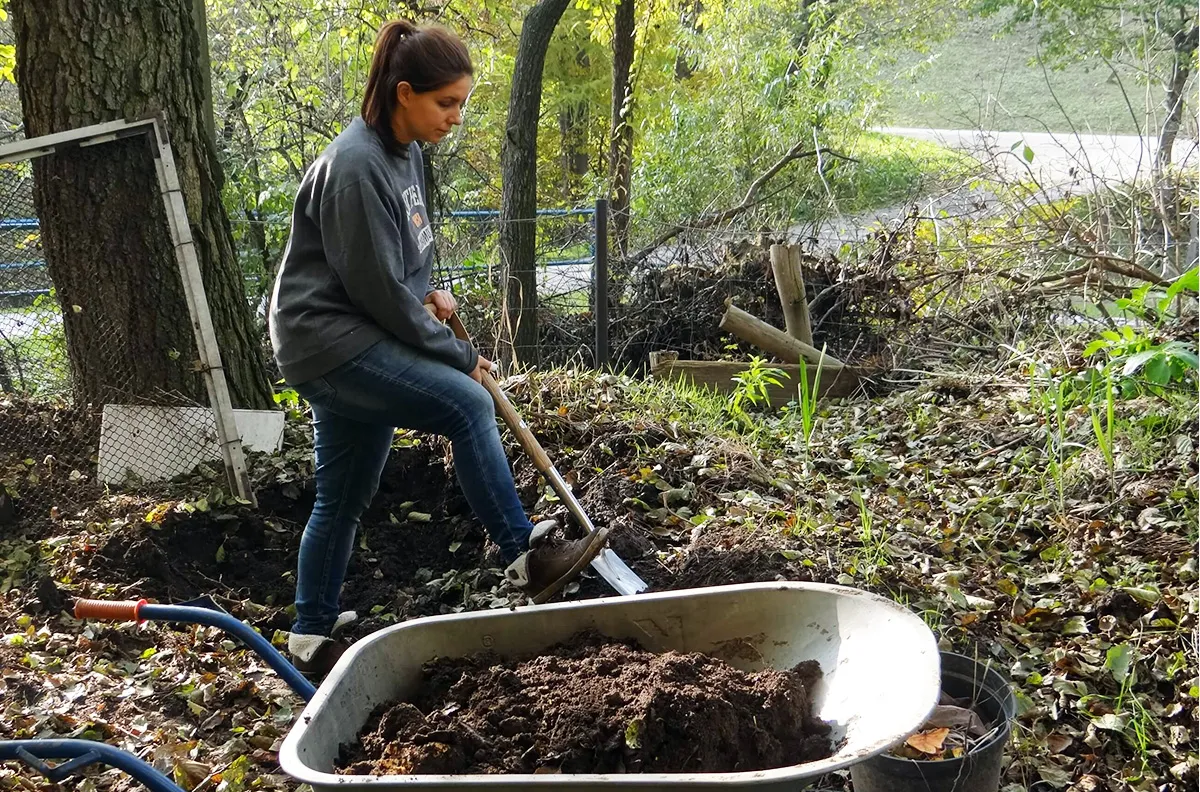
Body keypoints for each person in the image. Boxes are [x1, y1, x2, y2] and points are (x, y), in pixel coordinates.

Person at [268, 19, 608, 675]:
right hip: (328, 340)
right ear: (403, 93)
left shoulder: (407, 154)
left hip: (355, 331)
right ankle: (524, 556)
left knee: (343, 494)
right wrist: (456, 355)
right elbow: (376, 292)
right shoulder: (357, 166)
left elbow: (404, 259)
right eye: (444, 103)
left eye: (461, 103)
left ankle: (309, 635)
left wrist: (432, 294)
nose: (455, 117)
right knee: (464, 405)